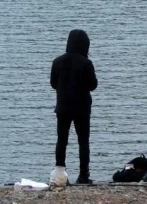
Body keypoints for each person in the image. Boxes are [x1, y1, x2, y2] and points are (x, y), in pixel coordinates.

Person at [50, 29, 98, 186]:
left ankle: (59, 174)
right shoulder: (86, 63)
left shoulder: (57, 61)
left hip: (63, 107)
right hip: (82, 108)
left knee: (62, 140)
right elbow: (93, 85)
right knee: (83, 141)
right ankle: (84, 175)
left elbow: (53, 83)